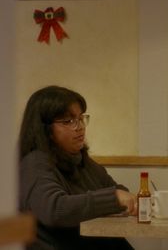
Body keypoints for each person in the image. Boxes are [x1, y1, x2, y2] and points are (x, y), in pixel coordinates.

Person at [19, 85, 136, 250]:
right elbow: (56, 209)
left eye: (81, 118)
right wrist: (113, 198)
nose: (80, 126)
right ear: (45, 129)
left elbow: (117, 190)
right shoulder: (35, 163)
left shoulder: (80, 160)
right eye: (68, 121)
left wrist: (118, 198)